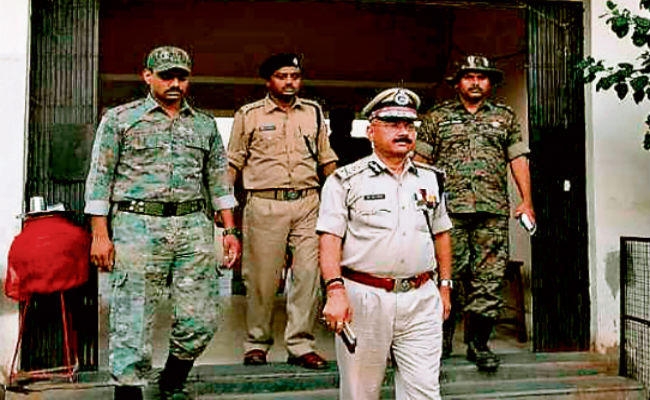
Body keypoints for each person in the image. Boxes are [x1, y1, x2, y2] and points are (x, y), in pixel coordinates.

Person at [84, 46, 241, 400]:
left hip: (192, 226)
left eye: (181, 77)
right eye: (167, 76)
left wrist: (230, 230)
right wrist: (99, 234)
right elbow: (100, 178)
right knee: (132, 317)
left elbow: (219, 181)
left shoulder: (204, 124)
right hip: (137, 225)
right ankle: (128, 392)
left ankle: (172, 381)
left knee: (201, 317)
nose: (175, 84)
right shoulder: (120, 120)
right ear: (147, 76)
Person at [317, 87, 453, 399]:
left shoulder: (431, 179)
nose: (403, 131)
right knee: (361, 392)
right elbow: (329, 239)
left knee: (424, 392)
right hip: (365, 298)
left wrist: (444, 286)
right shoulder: (344, 180)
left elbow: (441, 233)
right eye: (392, 124)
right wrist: (335, 291)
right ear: (370, 131)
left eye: (409, 125)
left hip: (421, 298)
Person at [414, 55, 535, 372]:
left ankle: (479, 344)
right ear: (457, 83)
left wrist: (526, 201)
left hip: (491, 211)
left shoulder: (505, 117)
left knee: (488, 280)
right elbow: (420, 163)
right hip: (447, 214)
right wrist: (419, 206)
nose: (476, 82)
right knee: (445, 276)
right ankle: (439, 344)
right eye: (469, 77)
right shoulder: (438, 117)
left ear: (490, 83)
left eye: (482, 77)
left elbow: (518, 158)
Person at [227, 53, 338, 369]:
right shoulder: (249, 115)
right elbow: (233, 162)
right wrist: (224, 210)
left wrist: (342, 197)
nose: (289, 82)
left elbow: (326, 159)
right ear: (268, 81)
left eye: (295, 76)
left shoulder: (313, 112)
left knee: (308, 276)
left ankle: (301, 345)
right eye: (282, 76)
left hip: (308, 203)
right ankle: (257, 343)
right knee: (262, 279)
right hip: (265, 204)